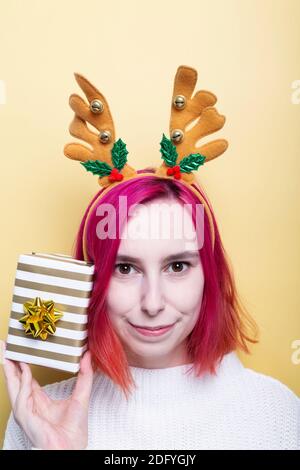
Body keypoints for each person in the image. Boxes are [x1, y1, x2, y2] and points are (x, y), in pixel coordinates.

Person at [2, 66, 299, 449]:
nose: (153, 303)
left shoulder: (278, 415)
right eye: (125, 268)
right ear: (91, 281)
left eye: (178, 266)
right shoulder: (38, 419)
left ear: (209, 273)